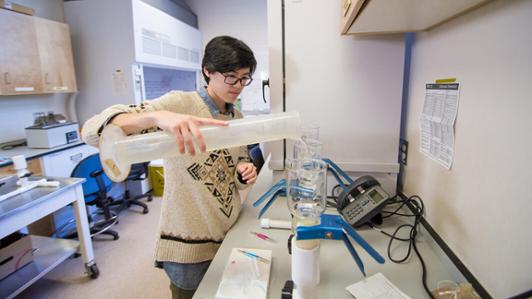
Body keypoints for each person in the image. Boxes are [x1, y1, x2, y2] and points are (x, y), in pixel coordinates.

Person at [82, 35, 258, 299]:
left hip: (228, 231)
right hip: (189, 243)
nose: (239, 85)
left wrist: (245, 170)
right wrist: (156, 116)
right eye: (231, 76)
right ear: (207, 71)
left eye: (244, 78)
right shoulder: (180, 104)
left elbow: (238, 159)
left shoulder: (237, 116)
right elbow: (92, 131)